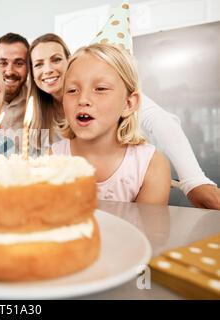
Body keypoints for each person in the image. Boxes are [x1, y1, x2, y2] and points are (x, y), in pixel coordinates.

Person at [28, 32, 219, 209]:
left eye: (56, 59)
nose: (48, 69)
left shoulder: (148, 165)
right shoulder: (42, 129)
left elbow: (161, 120)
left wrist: (193, 180)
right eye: (38, 64)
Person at [53, 43, 171, 204]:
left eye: (100, 88)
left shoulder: (151, 166)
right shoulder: (52, 159)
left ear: (128, 104)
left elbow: (149, 229)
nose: (82, 100)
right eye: (72, 90)